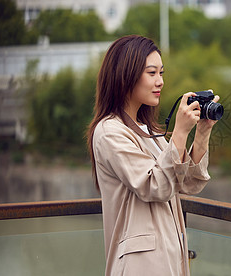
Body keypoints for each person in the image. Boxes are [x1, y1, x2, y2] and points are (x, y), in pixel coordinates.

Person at [86, 35, 218, 275]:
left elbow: (187, 183)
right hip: (141, 265)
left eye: (162, 73)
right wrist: (179, 132)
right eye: (152, 73)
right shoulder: (109, 132)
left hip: (169, 255)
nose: (160, 82)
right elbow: (154, 186)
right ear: (126, 75)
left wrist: (201, 132)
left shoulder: (149, 131)